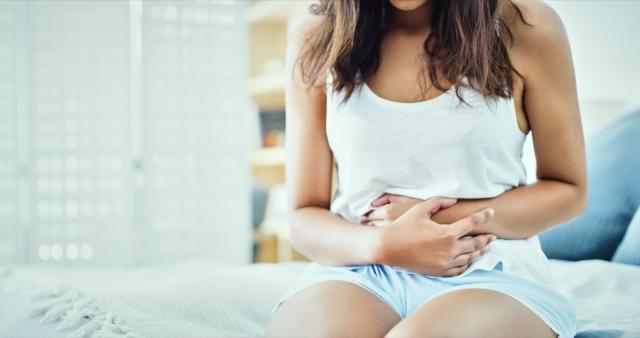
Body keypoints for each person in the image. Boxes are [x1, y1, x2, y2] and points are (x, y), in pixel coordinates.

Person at [267, 0, 586, 337]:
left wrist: (435, 219)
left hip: (491, 269)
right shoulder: (317, 37)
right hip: (360, 267)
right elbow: (304, 214)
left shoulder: (526, 26)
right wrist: (385, 245)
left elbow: (569, 191)